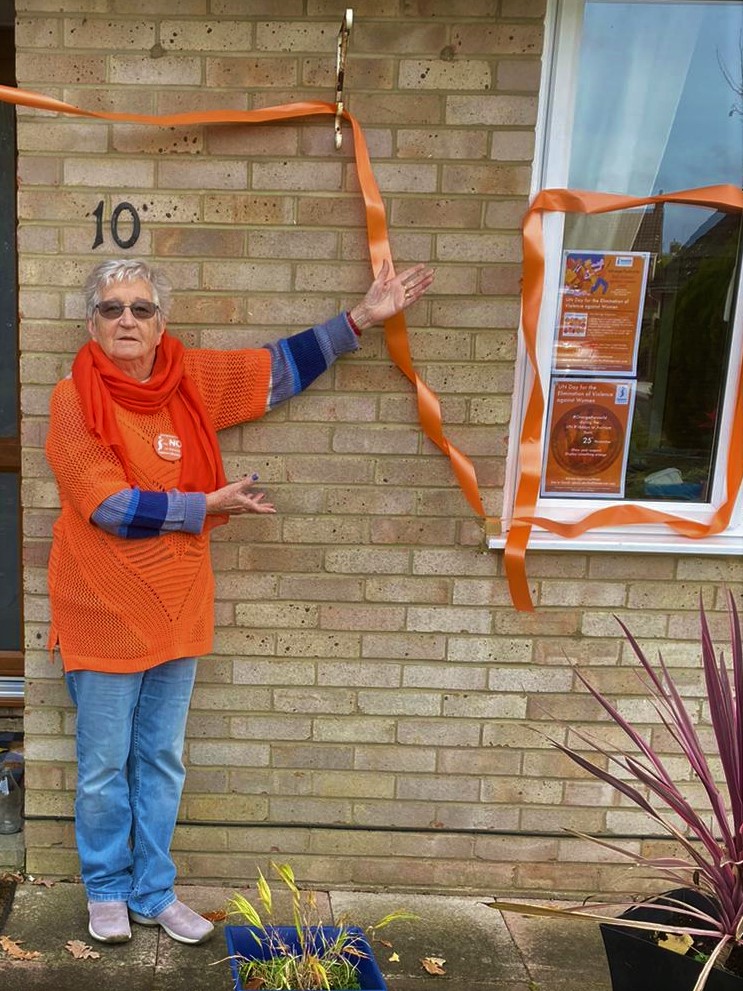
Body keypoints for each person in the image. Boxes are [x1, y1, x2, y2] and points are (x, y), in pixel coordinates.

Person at [45, 256, 434, 946]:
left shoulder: (188, 381)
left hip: (178, 611)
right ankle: (105, 888)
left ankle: (152, 891)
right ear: (91, 323)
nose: (127, 319)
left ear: (161, 322)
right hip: (101, 613)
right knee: (104, 767)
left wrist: (360, 319)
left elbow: (273, 371)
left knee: (161, 760)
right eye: (112, 308)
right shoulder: (73, 398)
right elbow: (106, 505)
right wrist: (204, 505)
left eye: (141, 308)